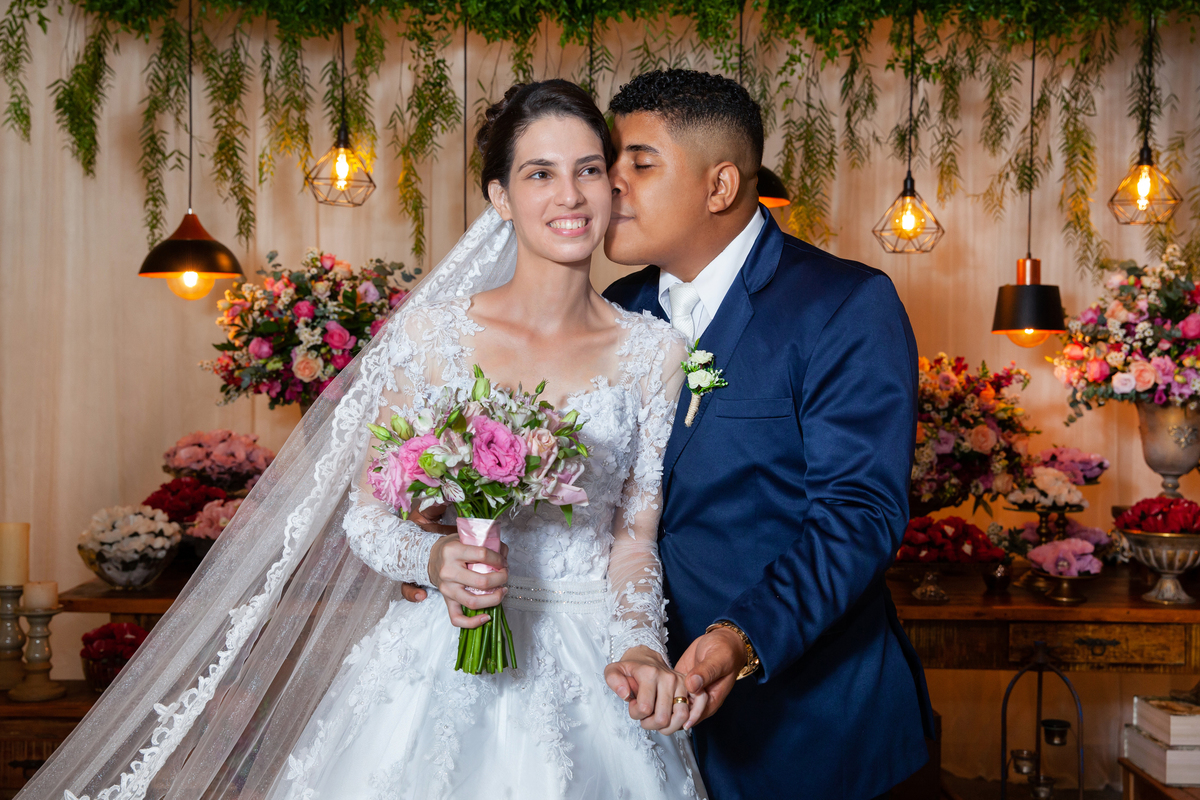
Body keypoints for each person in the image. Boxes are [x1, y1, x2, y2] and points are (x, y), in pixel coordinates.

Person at [18, 80, 707, 800]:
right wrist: (438, 556)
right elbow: (369, 515)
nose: (570, 194)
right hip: (443, 653)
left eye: (588, 169)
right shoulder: (436, 335)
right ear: (501, 197)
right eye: (540, 173)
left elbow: (633, 539)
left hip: (590, 661)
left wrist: (640, 646)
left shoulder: (653, 352)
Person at [599, 69, 936, 800]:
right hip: (638, 717)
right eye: (609, 160)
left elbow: (859, 514)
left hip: (811, 727)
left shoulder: (845, 305)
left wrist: (739, 639)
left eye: (640, 162)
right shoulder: (614, 311)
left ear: (719, 186)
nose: (609, 183)